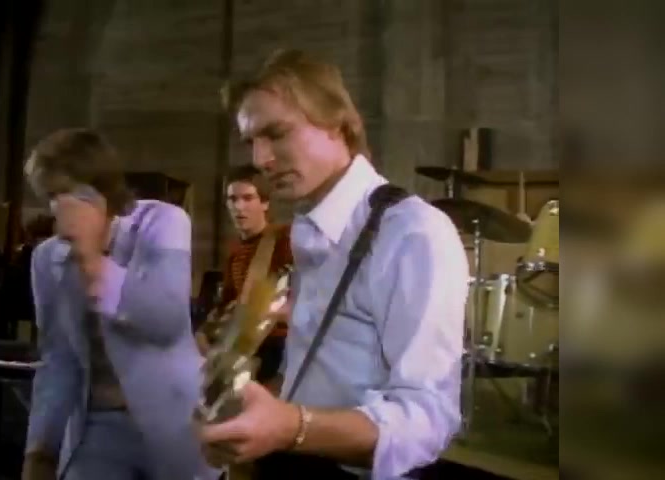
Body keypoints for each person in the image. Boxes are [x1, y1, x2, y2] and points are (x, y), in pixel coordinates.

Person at [197, 49, 469, 479]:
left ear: (338, 124)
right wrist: (245, 416)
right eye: (252, 142)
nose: (262, 159)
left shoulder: (412, 232)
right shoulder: (308, 228)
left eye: (276, 134)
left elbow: (426, 421)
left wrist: (291, 427)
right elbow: (314, 370)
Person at [20, 127, 218, 480]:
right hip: (98, 424)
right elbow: (59, 358)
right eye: (51, 196)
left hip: (173, 419)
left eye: (68, 193)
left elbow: (166, 321)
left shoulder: (162, 222)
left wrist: (92, 260)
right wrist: (41, 448)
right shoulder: (47, 259)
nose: (59, 207)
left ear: (100, 191)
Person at [194, 164, 293, 390]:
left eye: (248, 198)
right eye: (233, 199)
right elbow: (227, 301)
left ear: (265, 203)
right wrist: (204, 333)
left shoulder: (283, 240)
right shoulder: (235, 252)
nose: (239, 207)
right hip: (243, 347)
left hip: (279, 347)